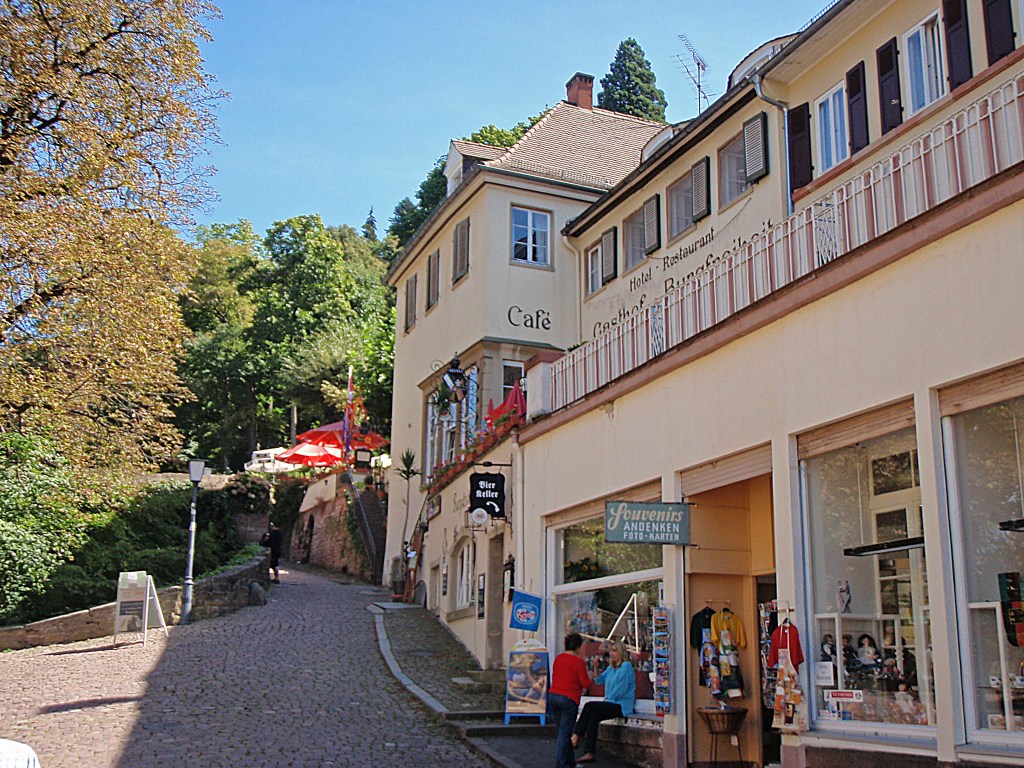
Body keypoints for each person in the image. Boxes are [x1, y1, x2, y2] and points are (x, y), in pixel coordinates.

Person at [572, 639, 636, 764]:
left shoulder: (626, 667)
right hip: (610, 702)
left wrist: (607, 699)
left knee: (590, 705)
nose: (612, 654)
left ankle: (576, 736)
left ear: (621, 653)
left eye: (614, 651)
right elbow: (599, 681)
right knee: (593, 717)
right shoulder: (612, 668)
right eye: (611, 651)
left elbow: (621, 690)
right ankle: (589, 752)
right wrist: (595, 667)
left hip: (621, 705)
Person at [548, 632, 590, 768]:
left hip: (553, 696)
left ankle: (570, 762)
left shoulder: (558, 658)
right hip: (568, 699)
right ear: (578, 647)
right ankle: (561, 765)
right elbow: (586, 684)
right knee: (565, 734)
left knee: (563, 732)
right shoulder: (578, 662)